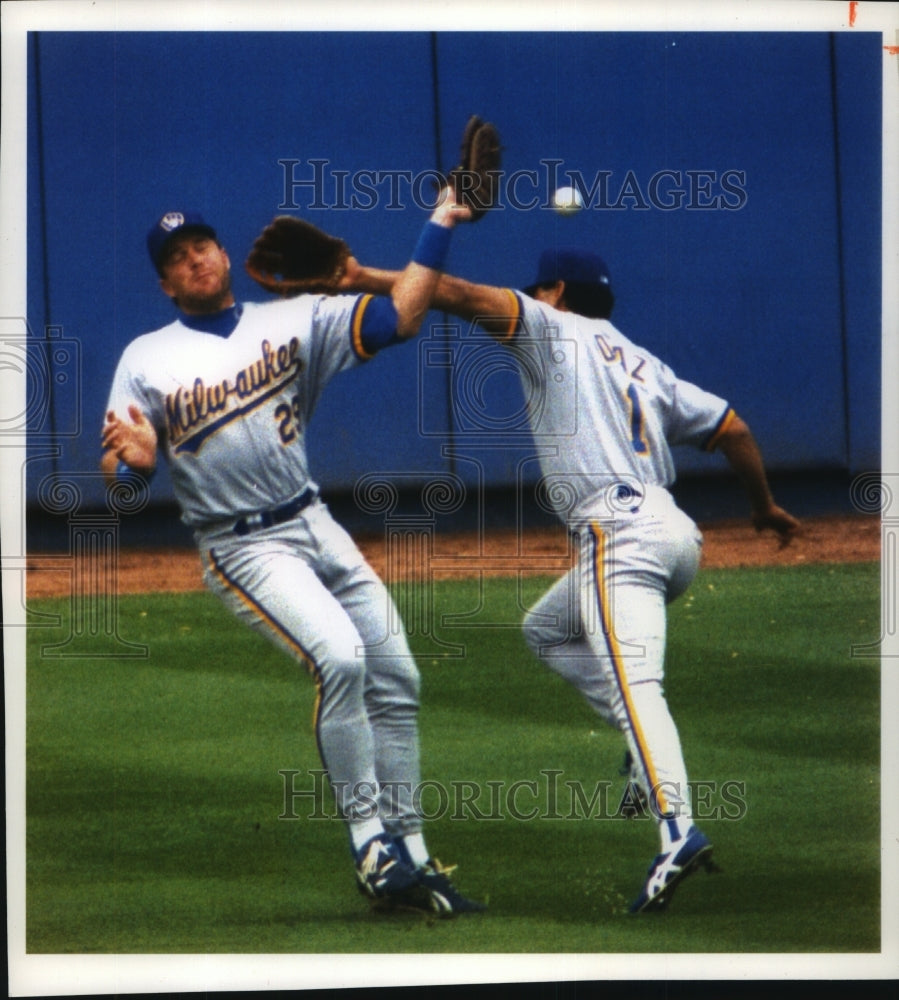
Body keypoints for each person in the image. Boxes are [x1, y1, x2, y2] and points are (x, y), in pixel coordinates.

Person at [343, 245, 801, 913]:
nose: (527, 297)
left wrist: (365, 278)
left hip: (620, 539)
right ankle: (641, 757)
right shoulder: (642, 360)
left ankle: (675, 832)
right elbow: (732, 428)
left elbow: (460, 295)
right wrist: (761, 505)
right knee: (547, 630)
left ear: (555, 292)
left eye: (536, 289)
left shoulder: (550, 328)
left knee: (637, 685)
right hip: (674, 535)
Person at [100, 195, 486, 917]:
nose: (196, 259)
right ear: (166, 284)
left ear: (223, 254)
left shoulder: (295, 317)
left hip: (314, 522)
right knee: (340, 659)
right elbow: (122, 482)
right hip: (242, 546)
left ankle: (414, 855)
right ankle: (371, 847)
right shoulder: (143, 359)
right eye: (179, 259)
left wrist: (441, 220)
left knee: (396, 674)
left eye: (204, 245)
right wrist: (139, 466)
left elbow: (401, 314)